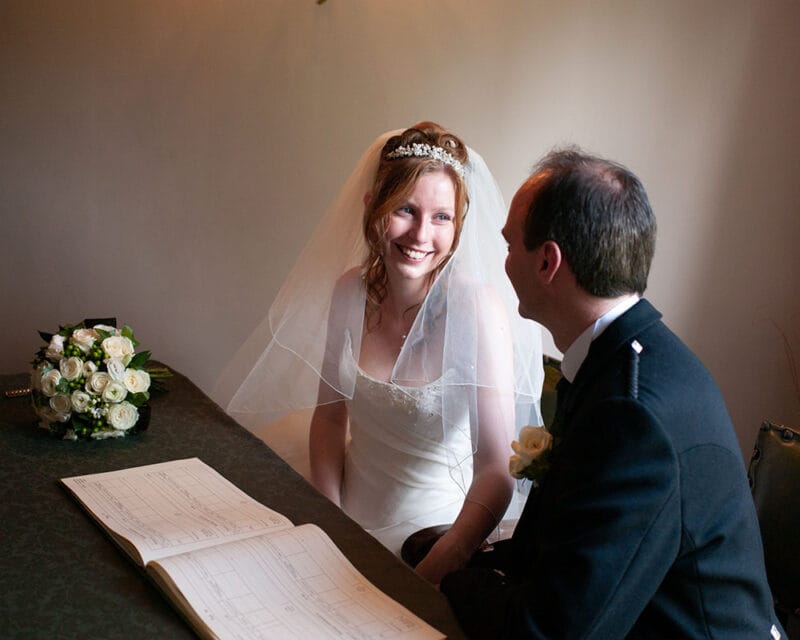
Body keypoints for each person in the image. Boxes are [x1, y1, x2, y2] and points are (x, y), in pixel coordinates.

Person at [440, 148, 785, 638]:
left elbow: (555, 632)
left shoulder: (633, 411)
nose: (505, 260)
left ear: (547, 262)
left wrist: (454, 583)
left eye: (510, 243)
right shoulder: (626, 357)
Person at [225, 122, 544, 585]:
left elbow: (496, 468)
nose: (420, 234)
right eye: (405, 209)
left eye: (442, 217)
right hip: (342, 508)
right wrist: (329, 524)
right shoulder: (349, 293)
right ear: (373, 205)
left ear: (459, 225)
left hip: (433, 536)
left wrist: (435, 569)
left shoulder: (476, 308)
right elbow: (331, 419)